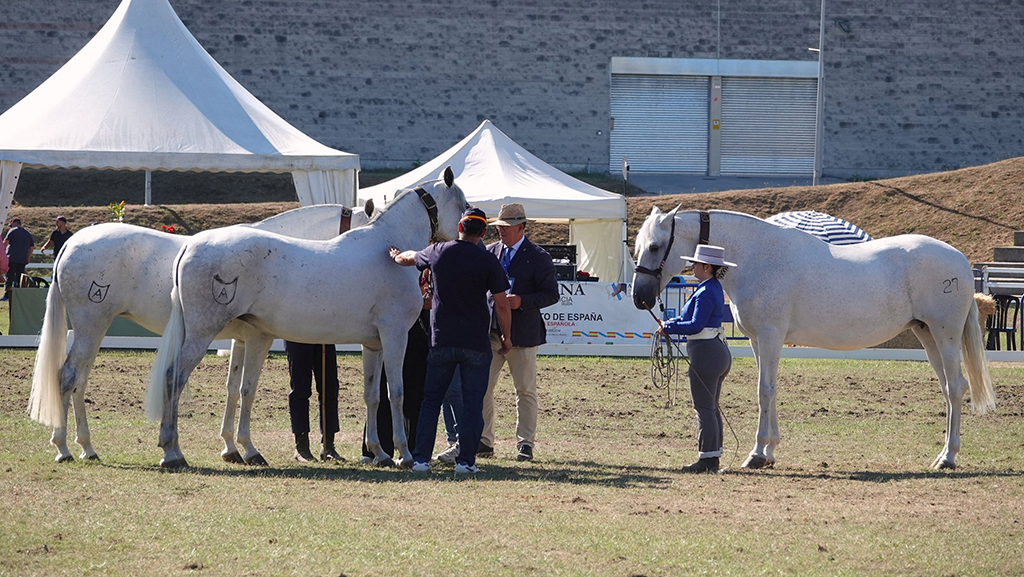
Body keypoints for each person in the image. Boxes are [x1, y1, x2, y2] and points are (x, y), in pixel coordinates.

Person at [389, 207, 512, 475]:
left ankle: (421, 460)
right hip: (476, 344)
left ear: (459, 228)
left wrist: (396, 256)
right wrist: (506, 336)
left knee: (431, 402)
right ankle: (465, 463)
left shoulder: (438, 251)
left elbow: (410, 258)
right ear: (482, 232)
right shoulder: (487, 260)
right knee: (471, 405)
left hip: (442, 340)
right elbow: (502, 305)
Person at [480, 203, 558, 462]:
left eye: (505, 227)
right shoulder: (490, 252)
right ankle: (484, 440)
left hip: (523, 336)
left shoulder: (538, 256)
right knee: (482, 388)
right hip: (492, 332)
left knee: (525, 391)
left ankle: (525, 443)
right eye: (499, 227)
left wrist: (522, 300)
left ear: (520, 227)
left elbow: (551, 294)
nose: (500, 231)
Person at [656, 244, 736, 474]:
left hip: (706, 354)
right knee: (710, 407)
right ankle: (713, 455)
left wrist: (669, 329)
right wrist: (671, 325)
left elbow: (695, 325)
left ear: (707, 267)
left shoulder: (706, 290)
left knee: (704, 407)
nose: (692, 266)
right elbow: (688, 319)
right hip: (715, 353)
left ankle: (707, 459)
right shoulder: (711, 288)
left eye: (696, 263)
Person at [360, 269, 431, 463]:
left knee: (415, 388)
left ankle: (414, 448)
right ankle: (376, 447)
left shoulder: (427, 260)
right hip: (389, 324)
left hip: (418, 325)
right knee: (382, 381)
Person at [284, 341, 343, 462]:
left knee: (329, 387)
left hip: (323, 334)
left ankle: (328, 446)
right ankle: (301, 448)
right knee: (300, 388)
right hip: (296, 333)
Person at [2, 217, 34, 301]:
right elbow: (31, 247)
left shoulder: (12, 231)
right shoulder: (27, 233)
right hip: (22, 259)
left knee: (10, 277)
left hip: (12, 258)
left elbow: (5, 242)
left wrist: (2, 254)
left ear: (13, 223)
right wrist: (28, 257)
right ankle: (18, 296)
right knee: (19, 278)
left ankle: (7, 295)